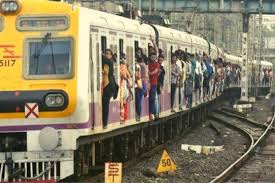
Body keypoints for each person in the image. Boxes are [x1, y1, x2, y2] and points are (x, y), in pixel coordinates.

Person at [102, 49, 118, 129]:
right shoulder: (105, 62)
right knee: (104, 104)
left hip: (109, 86)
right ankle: (104, 122)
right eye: (106, 53)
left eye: (108, 54)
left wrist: (100, 54)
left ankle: (105, 123)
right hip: (105, 85)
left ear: (111, 55)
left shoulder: (110, 62)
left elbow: (104, 60)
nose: (106, 55)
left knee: (105, 104)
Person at [120, 53, 132, 123]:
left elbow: (125, 75)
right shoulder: (123, 66)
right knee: (124, 103)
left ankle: (123, 117)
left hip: (123, 86)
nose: (124, 60)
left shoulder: (123, 66)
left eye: (124, 58)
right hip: (124, 86)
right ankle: (124, 117)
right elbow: (127, 75)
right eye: (123, 58)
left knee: (123, 102)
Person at [148, 52, 160, 120]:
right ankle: (150, 112)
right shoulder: (149, 64)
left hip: (154, 83)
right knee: (149, 98)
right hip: (148, 83)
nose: (153, 58)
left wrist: (149, 73)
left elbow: (156, 71)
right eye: (152, 57)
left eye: (154, 57)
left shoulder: (157, 64)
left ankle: (152, 112)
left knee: (152, 98)